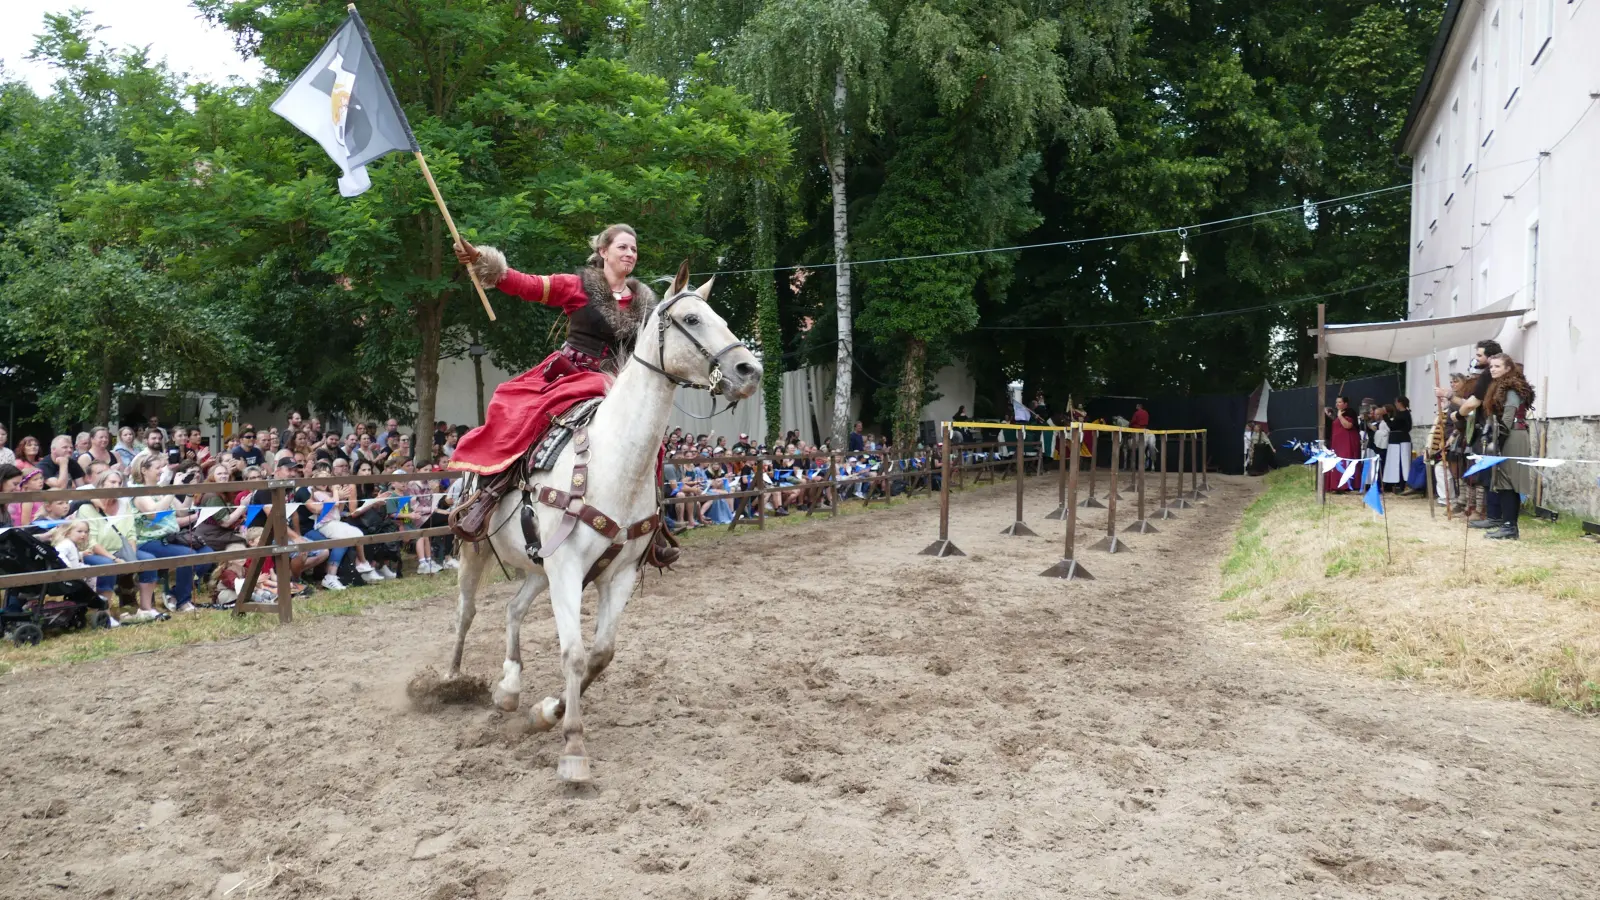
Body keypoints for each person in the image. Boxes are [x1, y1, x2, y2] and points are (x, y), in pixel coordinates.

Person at [449, 223, 678, 566]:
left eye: (634, 249)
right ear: (603, 252)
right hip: (573, 376)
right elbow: (525, 284)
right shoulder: (577, 286)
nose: (630, 254)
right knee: (521, 416)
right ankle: (488, 498)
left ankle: (653, 528)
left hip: (619, 387)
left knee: (653, 444)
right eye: (623, 247)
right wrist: (484, 262)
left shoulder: (645, 304)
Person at [1479, 353, 1535, 540]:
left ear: (1508, 369)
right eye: (1491, 366)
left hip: (1513, 435)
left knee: (1509, 481)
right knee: (1503, 482)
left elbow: (1508, 417)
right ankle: (1507, 525)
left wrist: (1498, 441)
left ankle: (1510, 527)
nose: (1493, 369)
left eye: (1497, 366)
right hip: (1506, 434)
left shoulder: (1510, 388)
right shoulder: (1499, 387)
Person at [1324, 396, 1361, 493]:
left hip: (1347, 441)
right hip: (1338, 442)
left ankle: (1346, 485)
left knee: (1345, 461)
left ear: (1345, 404)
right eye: (1336, 402)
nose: (1337, 404)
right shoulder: (1338, 414)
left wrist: (1340, 416)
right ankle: (1337, 484)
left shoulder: (1350, 412)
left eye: (1339, 402)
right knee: (1338, 462)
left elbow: (1348, 425)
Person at [1382, 397, 1414, 494]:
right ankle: (1397, 483)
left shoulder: (1402, 414)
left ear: (1399, 403)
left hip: (1400, 440)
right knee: (1397, 462)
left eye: (1396, 402)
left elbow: (1393, 426)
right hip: (1399, 439)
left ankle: (1402, 484)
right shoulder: (1404, 413)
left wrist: (1385, 417)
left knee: (1400, 462)